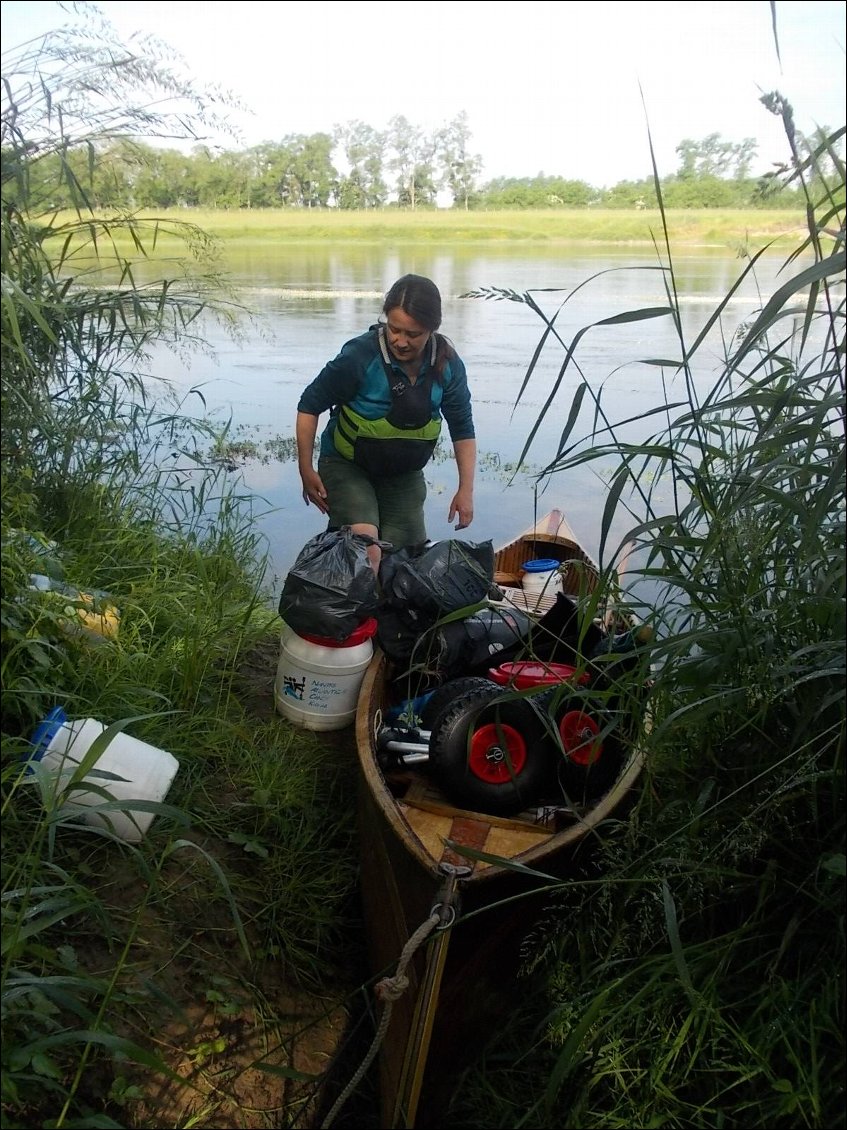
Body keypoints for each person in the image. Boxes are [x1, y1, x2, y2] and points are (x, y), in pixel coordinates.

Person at [296, 274, 476, 570]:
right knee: (366, 547)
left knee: (408, 561)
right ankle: (358, 616)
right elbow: (309, 405)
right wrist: (305, 468)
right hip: (346, 465)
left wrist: (465, 490)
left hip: (403, 473)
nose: (400, 341)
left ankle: (389, 616)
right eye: (394, 329)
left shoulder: (447, 363)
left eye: (413, 334)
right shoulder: (359, 355)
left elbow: (463, 428)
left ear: (432, 328)